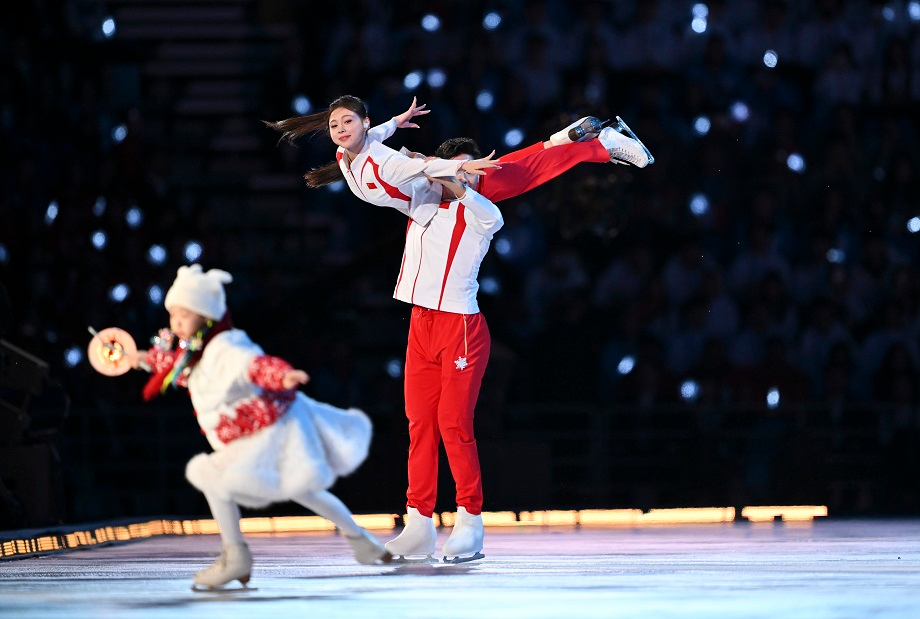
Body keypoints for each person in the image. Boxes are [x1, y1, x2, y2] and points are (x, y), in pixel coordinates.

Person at [132, 265, 391, 589]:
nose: (177, 323)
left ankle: (236, 555)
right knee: (303, 491)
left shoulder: (226, 347)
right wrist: (137, 358)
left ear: (206, 314)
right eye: (173, 314)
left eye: (185, 314)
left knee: (213, 477)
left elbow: (256, 365)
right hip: (261, 433)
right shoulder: (196, 352)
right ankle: (363, 541)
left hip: (268, 436)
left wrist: (283, 376)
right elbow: (172, 366)